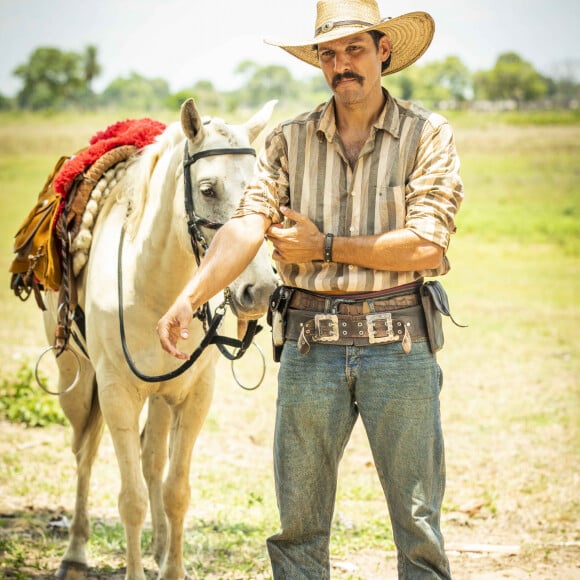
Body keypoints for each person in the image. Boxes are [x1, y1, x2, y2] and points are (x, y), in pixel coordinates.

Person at [158, 0, 464, 577]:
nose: (341, 63)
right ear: (319, 62)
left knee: (418, 524)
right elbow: (247, 223)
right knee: (297, 530)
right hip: (309, 347)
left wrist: (324, 247)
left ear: (384, 51)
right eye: (329, 53)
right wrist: (189, 296)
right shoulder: (287, 141)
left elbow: (428, 246)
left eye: (355, 49)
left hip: (399, 344)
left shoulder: (428, 135)